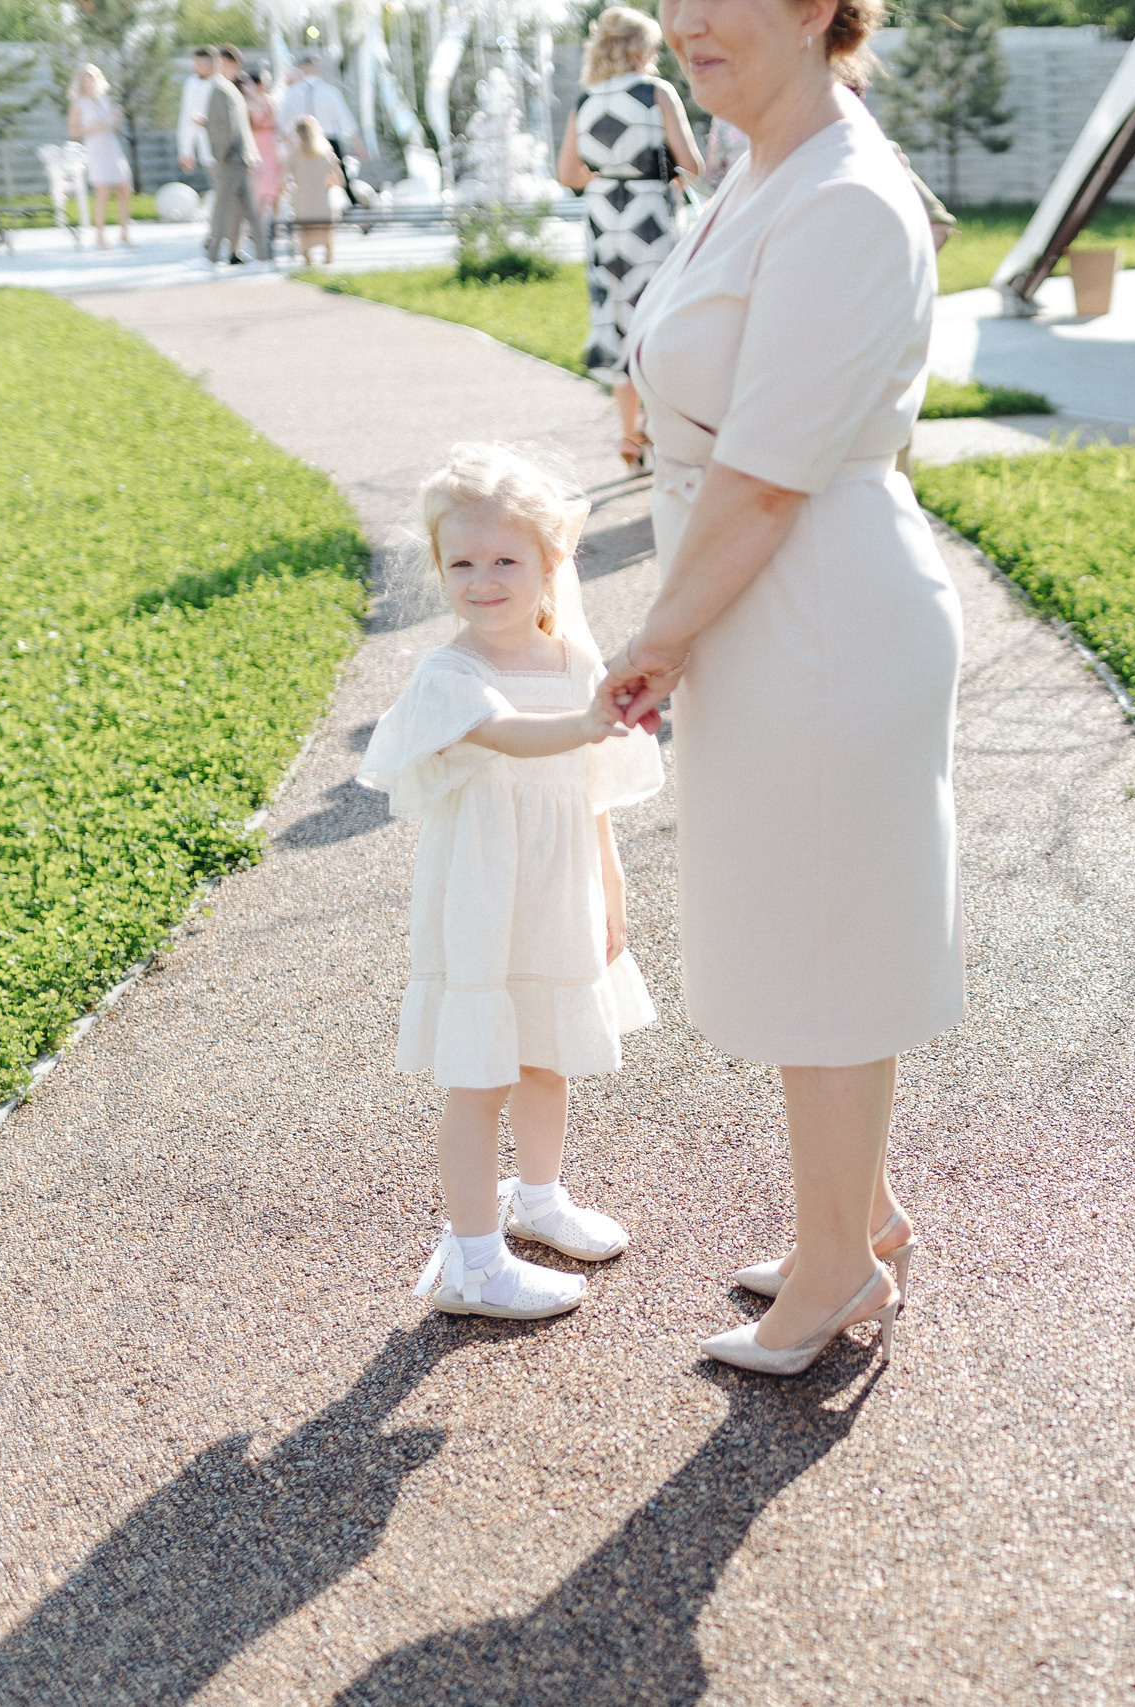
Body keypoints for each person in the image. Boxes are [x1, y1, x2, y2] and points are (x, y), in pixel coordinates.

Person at [603, 0, 959, 1377]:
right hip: (776, 595)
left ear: (818, 8)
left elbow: (763, 473)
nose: (686, 22)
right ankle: (856, 1214)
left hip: (810, 603)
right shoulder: (768, 165)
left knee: (826, 948)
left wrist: (656, 638)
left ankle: (834, 1269)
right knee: (808, 924)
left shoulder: (846, 199)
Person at [357, 443, 663, 1321]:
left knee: (546, 1055)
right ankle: (477, 1263)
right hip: (484, 900)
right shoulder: (449, 674)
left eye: (504, 560)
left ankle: (539, 1195)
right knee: (480, 1074)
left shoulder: (572, 658)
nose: (483, 579)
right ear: (438, 567)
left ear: (548, 563)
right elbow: (521, 739)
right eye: (462, 562)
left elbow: (591, 789)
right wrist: (592, 716)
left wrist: (610, 880)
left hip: (557, 885)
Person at [558, 7, 702, 470]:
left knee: (618, 319)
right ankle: (658, 431)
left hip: (604, 218)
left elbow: (568, 175)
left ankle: (627, 435)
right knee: (657, 318)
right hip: (649, 215)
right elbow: (693, 165)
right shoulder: (654, 92)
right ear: (640, 49)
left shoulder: (586, 99)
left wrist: (609, 171)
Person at [202, 46, 263, 264]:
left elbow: (233, 126)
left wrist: (225, 154)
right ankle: (259, 252)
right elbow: (223, 126)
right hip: (232, 157)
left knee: (234, 208)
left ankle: (224, 252)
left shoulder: (227, 88)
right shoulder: (222, 89)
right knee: (237, 208)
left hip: (235, 157)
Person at [69, 64, 136, 249]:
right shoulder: (78, 104)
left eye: (91, 78)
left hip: (112, 147)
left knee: (124, 188)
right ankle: (100, 236)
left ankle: (125, 234)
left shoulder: (105, 101)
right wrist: (94, 127)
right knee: (103, 192)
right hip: (95, 149)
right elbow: (73, 131)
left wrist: (116, 119)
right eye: (84, 79)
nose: (88, 82)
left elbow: (111, 127)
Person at [277, 54, 365, 171]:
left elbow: (282, 123)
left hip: (300, 144)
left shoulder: (291, 93)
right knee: (336, 180)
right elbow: (346, 120)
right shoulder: (330, 91)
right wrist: (359, 146)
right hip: (328, 143)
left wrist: (287, 145)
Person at [283, 115, 346, 265]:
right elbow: (340, 181)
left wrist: (292, 188)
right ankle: (328, 256)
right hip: (322, 203)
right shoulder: (326, 154)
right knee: (327, 233)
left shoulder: (293, 155)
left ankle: (308, 259)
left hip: (302, 203)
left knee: (303, 234)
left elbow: (283, 181)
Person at [243, 68, 283, 229]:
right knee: (259, 185)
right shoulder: (249, 102)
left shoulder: (270, 100)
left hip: (271, 143)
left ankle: (275, 222)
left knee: (275, 184)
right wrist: (267, 115)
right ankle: (255, 225)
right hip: (258, 142)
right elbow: (252, 124)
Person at [176, 46, 216, 179]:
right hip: (207, 148)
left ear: (209, 64)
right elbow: (187, 117)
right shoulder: (192, 84)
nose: (195, 68)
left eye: (198, 64)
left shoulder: (223, 83)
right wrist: (186, 151)